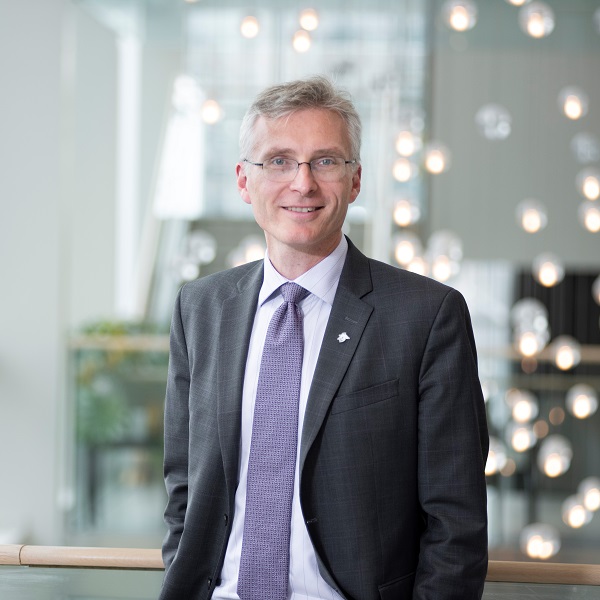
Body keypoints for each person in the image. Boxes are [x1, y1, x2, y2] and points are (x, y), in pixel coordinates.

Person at [160, 76, 489, 600]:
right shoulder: (200, 307)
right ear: (244, 181)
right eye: (279, 161)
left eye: (326, 161)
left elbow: (457, 522)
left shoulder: (427, 317)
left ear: (355, 181)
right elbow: (184, 484)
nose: (303, 183)